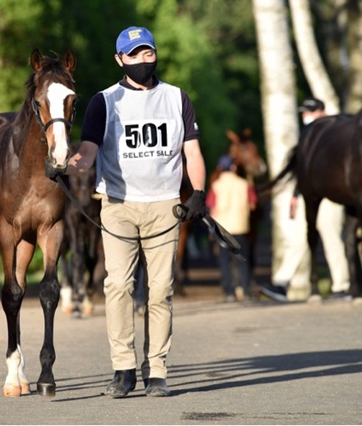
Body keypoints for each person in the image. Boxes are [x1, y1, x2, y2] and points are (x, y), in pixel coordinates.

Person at [51, 26, 207, 398]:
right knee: (117, 285)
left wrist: (199, 193)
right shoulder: (104, 102)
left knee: (161, 290)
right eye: (134, 55)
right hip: (118, 206)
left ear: (155, 55)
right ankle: (122, 368)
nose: (142, 60)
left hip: (164, 206)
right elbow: (87, 156)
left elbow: (193, 153)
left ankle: (157, 369)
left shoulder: (177, 98)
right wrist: (63, 166)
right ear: (120, 60)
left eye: (147, 53)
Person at [260, 97, 351, 302]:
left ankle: (341, 285)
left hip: (333, 194)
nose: (305, 116)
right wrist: (295, 195)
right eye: (303, 112)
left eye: (310, 112)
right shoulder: (310, 135)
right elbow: (304, 171)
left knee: (330, 236)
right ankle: (282, 283)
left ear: (322, 111)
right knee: (300, 236)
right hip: (309, 193)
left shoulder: (335, 133)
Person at [206, 155, 257, 302]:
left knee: (224, 261)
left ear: (220, 168)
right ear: (234, 167)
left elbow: (210, 206)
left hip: (222, 229)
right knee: (242, 260)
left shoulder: (216, 186)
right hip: (240, 227)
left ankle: (229, 291)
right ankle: (245, 290)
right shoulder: (245, 184)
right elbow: (253, 204)